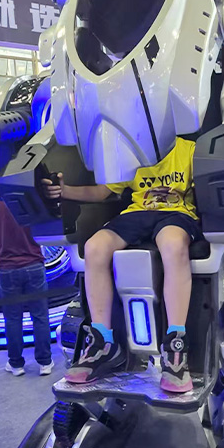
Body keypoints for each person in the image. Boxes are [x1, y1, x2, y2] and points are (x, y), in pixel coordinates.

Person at [47, 136, 200, 392]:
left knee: (173, 245)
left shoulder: (188, 150)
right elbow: (101, 192)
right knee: (95, 247)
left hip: (177, 213)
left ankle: (175, 346)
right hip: (137, 213)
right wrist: (64, 191)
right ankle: (103, 342)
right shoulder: (131, 151)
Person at [0, 199, 54, 377]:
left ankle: (16, 364)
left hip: (6, 268)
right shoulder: (25, 195)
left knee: (12, 318)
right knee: (40, 316)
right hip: (34, 263)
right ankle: (45, 362)